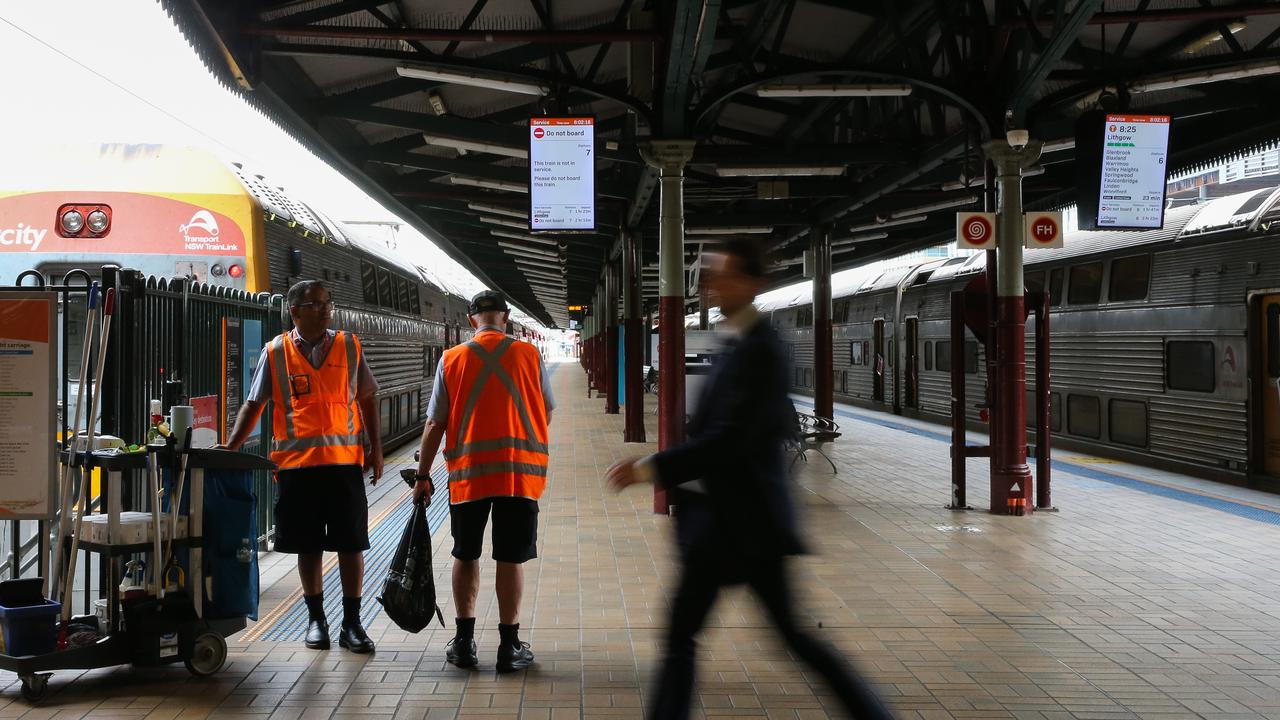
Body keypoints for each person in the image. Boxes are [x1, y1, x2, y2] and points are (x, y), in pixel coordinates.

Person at [605, 240, 893, 720]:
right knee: (775, 636)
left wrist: (651, 469)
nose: (712, 285)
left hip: (741, 525)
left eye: (723, 275)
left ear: (754, 283)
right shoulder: (738, 341)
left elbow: (729, 439)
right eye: (710, 277)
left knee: (719, 637)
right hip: (736, 522)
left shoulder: (759, 348)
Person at [221, 280, 383, 654]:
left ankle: (352, 624)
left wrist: (375, 450)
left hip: (344, 465)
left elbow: (367, 398)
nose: (325, 310)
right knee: (307, 546)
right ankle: (316, 621)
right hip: (297, 468)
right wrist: (230, 448)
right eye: (315, 305)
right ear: (295, 311)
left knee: (350, 545)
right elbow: (253, 404)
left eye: (327, 303)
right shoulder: (275, 352)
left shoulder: (348, 345)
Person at [413, 290, 554, 673]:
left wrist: (423, 475)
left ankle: (463, 644)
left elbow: (434, 424)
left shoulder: (452, 358)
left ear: (471, 319)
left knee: (466, 553)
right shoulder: (529, 355)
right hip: (517, 475)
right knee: (510, 557)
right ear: (505, 317)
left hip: (469, 476)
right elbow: (547, 411)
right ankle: (509, 646)